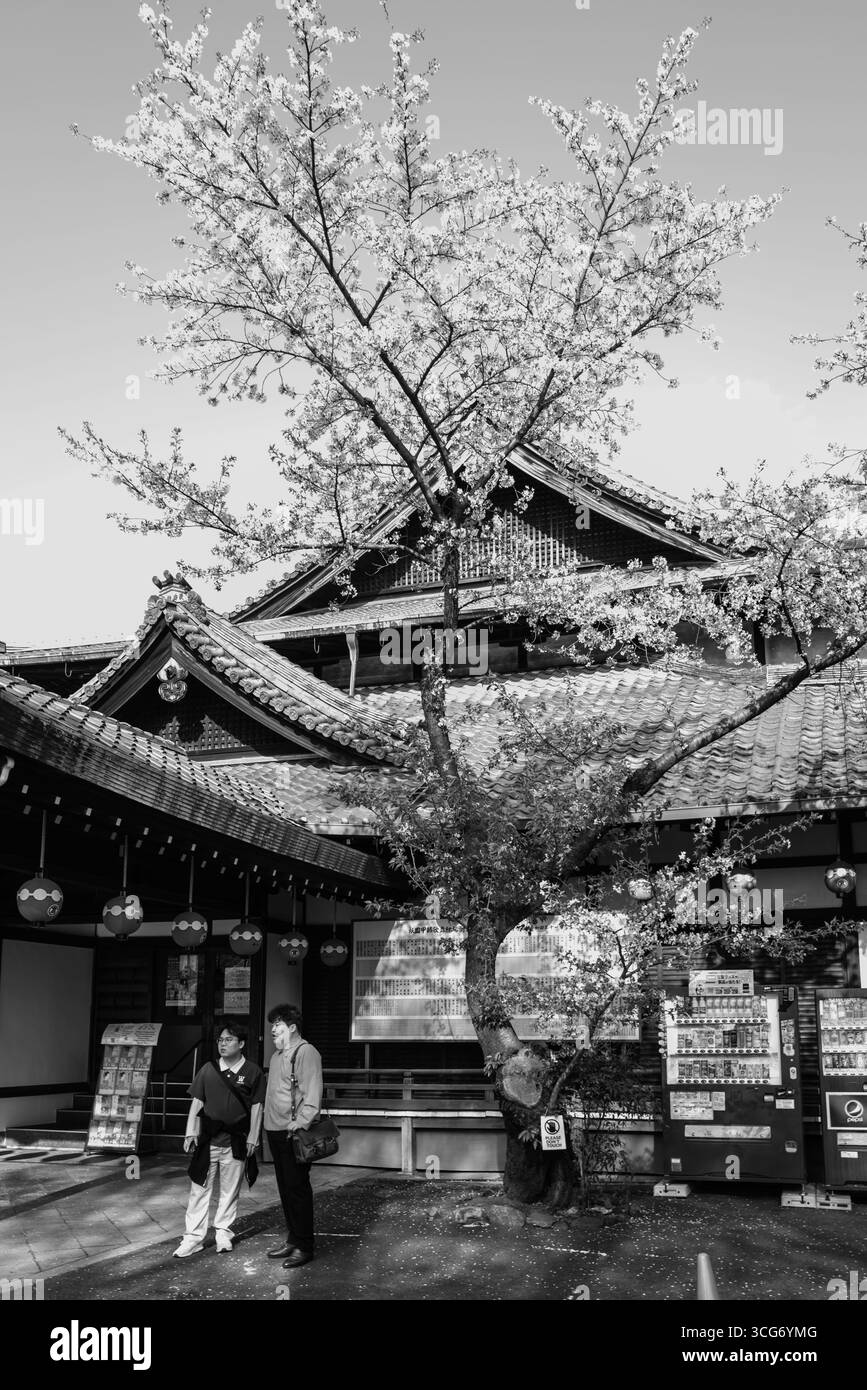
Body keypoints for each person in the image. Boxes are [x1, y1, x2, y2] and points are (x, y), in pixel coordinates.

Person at [173, 1018, 265, 1258]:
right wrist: (190, 1130)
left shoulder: (252, 1071)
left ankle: (223, 1232)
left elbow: (257, 1106)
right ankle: (193, 1238)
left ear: (241, 1043)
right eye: (220, 1040)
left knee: (230, 1190)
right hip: (208, 1140)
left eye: (229, 1040)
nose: (223, 1044)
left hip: (236, 1140)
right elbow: (197, 1101)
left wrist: (254, 1136)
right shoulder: (208, 1069)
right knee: (199, 1188)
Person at [264, 1003, 323, 1269]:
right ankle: (293, 1238)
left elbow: (312, 1093)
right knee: (285, 1189)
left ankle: (305, 1246)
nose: (273, 1030)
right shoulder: (277, 1056)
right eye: (272, 1025)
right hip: (275, 1131)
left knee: (298, 1189)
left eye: (277, 1024)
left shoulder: (305, 1051)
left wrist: (299, 1123)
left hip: (294, 1133)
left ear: (292, 1027)